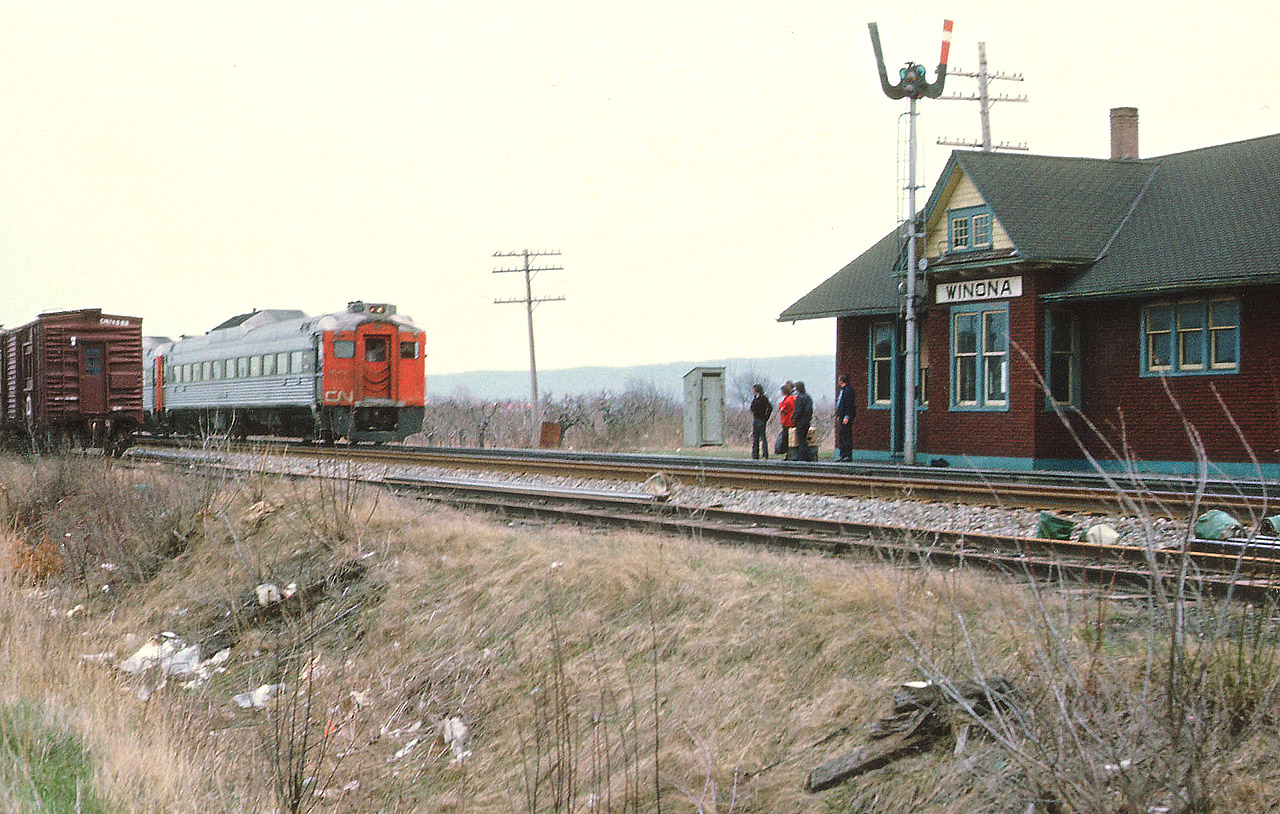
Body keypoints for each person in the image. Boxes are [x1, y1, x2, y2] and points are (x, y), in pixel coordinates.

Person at [834, 373, 855, 462]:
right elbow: (840, 404)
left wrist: (847, 416)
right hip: (842, 416)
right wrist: (839, 415)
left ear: (841, 380)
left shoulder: (848, 390)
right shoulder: (843, 390)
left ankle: (847, 455)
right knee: (842, 435)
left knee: (846, 436)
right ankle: (842, 454)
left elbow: (848, 404)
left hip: (846, 416)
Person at [749, 384, 772, 460]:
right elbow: (752, 408)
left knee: (763, 438)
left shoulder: (763, 399)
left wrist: (766, 417)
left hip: (761, 420)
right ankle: (755, 454)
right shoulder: (755, 399)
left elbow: (769, 408)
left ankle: (765, 454)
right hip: (755, 419)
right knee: (755, 438)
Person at [792, 380, 814, 460]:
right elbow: (810, 410)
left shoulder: (799, 398)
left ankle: (802, 456)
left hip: (800, 421)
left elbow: (798, 410)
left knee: (801, 439)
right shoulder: (808, 397)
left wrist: (794, 417)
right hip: (807, 421)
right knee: (804, 438)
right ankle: (806, 456)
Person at [776, 381, 795, 456]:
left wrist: (781, 407)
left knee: (787, 438)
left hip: (787, 421)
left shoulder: (788, 400)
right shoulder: (791, 398)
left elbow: (783, 410)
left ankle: (788, 453)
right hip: (789, 420)